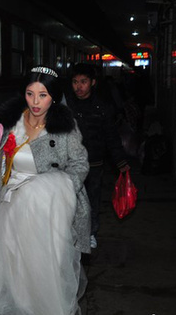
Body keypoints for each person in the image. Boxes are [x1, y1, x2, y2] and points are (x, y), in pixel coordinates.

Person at [0, 66, 92, 315]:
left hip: (48, 213)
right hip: (10, 209)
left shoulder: (65, 126)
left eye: (43, 95)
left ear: (53, 96)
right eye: (30, 93)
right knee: (8, 272)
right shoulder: (9, 122)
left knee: (42, 274)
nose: (35, 102)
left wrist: (60, 189)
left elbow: (80, 165)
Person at [66, 63, 130, 249]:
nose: (79, 86)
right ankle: (70, 232)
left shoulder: (103, 107)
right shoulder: (66, 106)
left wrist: (120, 160)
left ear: (93, 82)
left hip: (94, 163)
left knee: (92, 199)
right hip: (70, 164)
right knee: (70, 199)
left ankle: (91, 233)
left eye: (83, 82)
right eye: (75, 82)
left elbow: (112, 137)